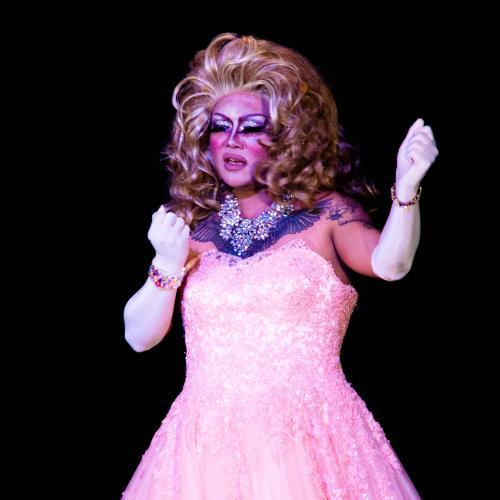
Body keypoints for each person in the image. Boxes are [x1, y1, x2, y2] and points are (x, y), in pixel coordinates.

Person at [121, 32, 438, 499]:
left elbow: (391, 265)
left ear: (285, 137)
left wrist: (406, 190)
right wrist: (166, 266)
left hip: (311, 437)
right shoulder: (192, 229)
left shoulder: (327, 214)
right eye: (220, 127)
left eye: (251, 127)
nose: (232, 140)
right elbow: (138, 337)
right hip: (203, 450)